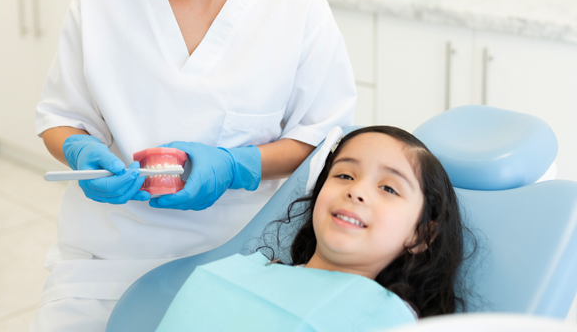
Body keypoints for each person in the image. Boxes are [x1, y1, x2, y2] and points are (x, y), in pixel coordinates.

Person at [29, 0, 356, 332]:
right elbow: (59, 118)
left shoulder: (296, 6)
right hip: (107, 255)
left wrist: (236, 166)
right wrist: (79, 150)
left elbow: (322, 138)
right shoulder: (98, 4)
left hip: (248, 253)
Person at [154, 126, 470, 331]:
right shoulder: (240, 271)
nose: (357, 191)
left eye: (388, 188)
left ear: (421, 235)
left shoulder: (393, 323)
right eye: (344, 175)